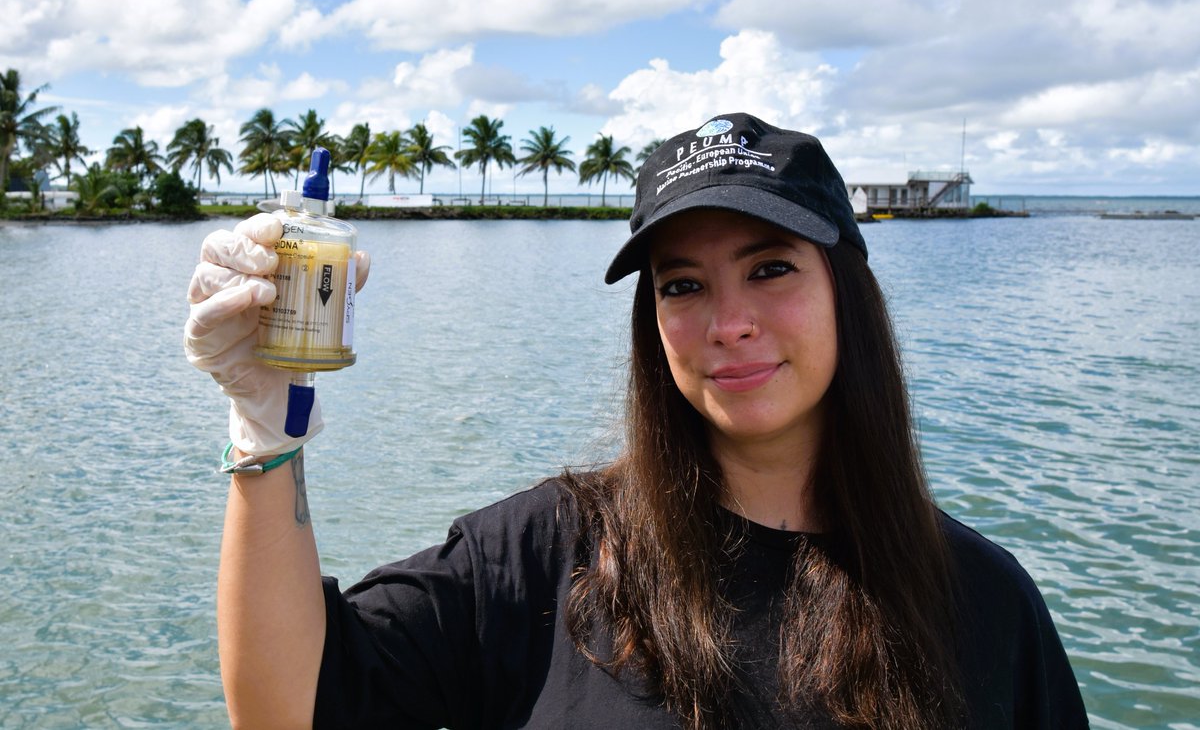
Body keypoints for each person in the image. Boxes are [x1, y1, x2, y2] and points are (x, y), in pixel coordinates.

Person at [185, 112, 1089, 729]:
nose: (727, 321)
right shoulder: (546, 554)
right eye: (683, 285)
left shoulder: (982, 597)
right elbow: (286, 708)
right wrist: (264, 435)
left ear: (845, 292)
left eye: (771, 268)